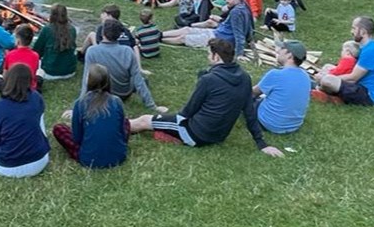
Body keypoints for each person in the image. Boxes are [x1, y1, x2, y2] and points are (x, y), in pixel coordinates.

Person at [129, 39, 282, 155]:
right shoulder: (245, 77)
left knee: (144, 120)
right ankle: (167, 134)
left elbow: (187, 113)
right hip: (219, 136)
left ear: (216, 57)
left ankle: (117, 127)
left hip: (196, 134)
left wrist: (167, 120)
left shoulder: (209, 80)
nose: (208, 57)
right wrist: (261, 143)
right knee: (164, 123)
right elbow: (249, 113)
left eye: (209, 54)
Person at [53, 63, 130, 168]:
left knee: (58, 128)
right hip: (119, 156)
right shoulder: (116, 101)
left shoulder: (80, 103)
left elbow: (77, 138)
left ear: (88, 81)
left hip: (89, 159)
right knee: (126, 122)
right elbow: (122, 132)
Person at [83, 20, 164, 113]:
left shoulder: (92, 51)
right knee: (143, 80)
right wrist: (152, 106)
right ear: (120, 35)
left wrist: (78, 105)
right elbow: (138, 81)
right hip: (124, 93)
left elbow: (86, 80)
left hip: (104, 93)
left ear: (102, 32)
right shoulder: (128, 51)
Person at [309, 16, 374, 106]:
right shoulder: (367, 47)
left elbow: (353, 77)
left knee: (328, 80)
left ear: (363, 32)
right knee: (329, 68)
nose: (351, 32)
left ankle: (323, 91)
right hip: (360, 85)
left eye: (354, 28)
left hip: (370, 95)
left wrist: (326, 77)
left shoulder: (371, 50)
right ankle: (324, 90)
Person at [253, 40, 312, 138]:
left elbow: (253, 93)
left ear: (289, 55)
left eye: (282, 49)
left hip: (271, 124)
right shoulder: (305, 76)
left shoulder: (275, 74)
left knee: (248, 100)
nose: (278, 51)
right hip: (294, 126)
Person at [33, 3, 77, 80]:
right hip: (70, 71)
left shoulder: (47, 29)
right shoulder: (72, 29)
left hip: (50, 72)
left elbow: (37, 51)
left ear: (52, 15)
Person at [0, 24, 41, 88]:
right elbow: (33, 73)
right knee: (41, 72)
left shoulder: (10, 54)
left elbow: (5, 76)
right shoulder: (35, 55)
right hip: (29, 87)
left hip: (11, 88)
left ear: (18, 39)